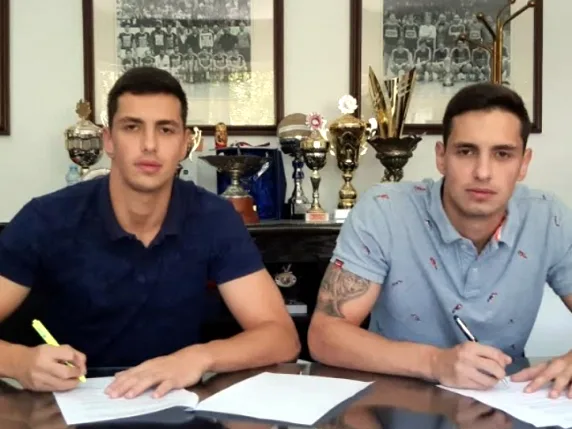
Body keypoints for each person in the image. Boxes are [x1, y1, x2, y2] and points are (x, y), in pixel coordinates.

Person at [0, 67, 300, 397]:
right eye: (132, 127)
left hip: (170, 403)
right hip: (65, 406)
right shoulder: (46, 219)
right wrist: (19, 362)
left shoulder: (214, 218)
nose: (149, 145)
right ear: (109, 140)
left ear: (185, 143)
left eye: (166, 130)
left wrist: (200, 357)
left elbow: (281, 337)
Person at [308, 82, 572, 399]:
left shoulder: (549, 217)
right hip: (395, 402)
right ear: (441, 157)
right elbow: (325, 335)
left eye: (502, 154)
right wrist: (435, 362)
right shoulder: (385, 210)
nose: (483, 172)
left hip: (505, 404)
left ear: (524, 164)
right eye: (466, 151)